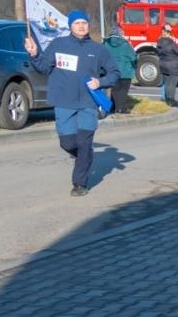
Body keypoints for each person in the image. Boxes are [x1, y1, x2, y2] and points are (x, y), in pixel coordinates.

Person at [23, 10, 120, 197]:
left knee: (84, 143)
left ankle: (79, 183)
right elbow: (43, 67)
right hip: (64, 101)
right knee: (68, 143)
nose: (81, 26)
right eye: (77, 23)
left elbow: (114, 72)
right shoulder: (59, 44)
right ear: (70, 26)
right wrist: (34, 54)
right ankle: (84, 157)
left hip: (88, 103)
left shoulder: (97, 49)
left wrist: (101, 82)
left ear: (88, 25)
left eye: (84, 22)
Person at [102, 30, 136, 114]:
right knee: (123, 91)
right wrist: (135, 65)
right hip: (125, 71)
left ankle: (114, 108)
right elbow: (133, 57)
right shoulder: (125, 44)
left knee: (115, 90)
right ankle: (120, 108)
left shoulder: (106, 44)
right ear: (120, 35)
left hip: (112, 71)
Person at [156, 27, 178, 106]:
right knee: (172, 84)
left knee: (167, 84)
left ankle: (167, 100)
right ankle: (171, 101)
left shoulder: (159, 42)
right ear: (168, 33)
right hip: (173, 66)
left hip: (163, 65)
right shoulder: (171, 42)